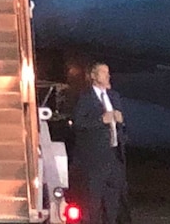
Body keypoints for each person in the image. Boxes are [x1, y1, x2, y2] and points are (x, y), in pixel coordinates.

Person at [71, 62, 127, 224]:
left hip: (114, 157)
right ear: (94, 77)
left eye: (108, 72)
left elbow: (121, 123)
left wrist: (121, 121)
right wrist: (100, 120)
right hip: (95, 160)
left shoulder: (114, 96)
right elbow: (79, 124)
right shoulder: (85, 98)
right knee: (93, 202)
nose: (108, 75)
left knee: (113, 201)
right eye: (103, 72)